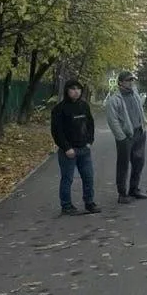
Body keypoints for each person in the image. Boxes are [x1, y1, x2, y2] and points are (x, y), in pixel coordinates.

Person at [50, 79, 100, 215]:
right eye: (72, 89)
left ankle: (89, 202)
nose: (76, 91)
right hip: (68, 151)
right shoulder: (59, 109)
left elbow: (90, 124)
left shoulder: (84, 106)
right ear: (67, 91)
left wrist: (90, 141)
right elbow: (57, 131)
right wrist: (66, 148)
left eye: (78, 89)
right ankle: (66, 206)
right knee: (67, 179)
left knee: (88, 177)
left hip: (84, 149)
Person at [105, 70, 147, 204]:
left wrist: (143, 126)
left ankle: (134, 189)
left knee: (138, 162)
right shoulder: (114, 100)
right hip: (126, 137)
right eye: (128, 80)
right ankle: (122, 194)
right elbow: (113, 121)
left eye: (131, 80)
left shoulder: (134, 95)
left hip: (139, 133)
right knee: (123, 165)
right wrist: (121, 137)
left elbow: (140, 111)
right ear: (121, 83)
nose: (131, 82)